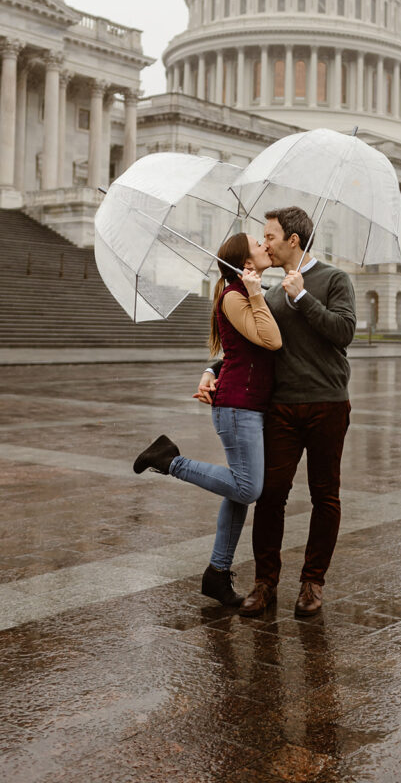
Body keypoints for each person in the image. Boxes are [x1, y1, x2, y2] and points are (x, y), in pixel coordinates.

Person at [197, 206, 356, 618]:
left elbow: (343, 332)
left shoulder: (333, 279)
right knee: (270, 495)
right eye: (263, 238)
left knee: (326, 496)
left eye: (269, 237)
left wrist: (301, 296)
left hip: (327, 403)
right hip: (281, 407)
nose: (263, 243)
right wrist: (212, 370)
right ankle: (265, 582)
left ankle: (312, 583)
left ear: (293, 241)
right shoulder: (264, 292)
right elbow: (249, 344)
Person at [133, 233, 281, 607]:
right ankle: (169, 460)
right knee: (248, 488)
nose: (265, 247)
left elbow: (237, 349)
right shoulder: (234, 295)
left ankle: (217, 573)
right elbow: (271, 340)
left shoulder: (240, 292)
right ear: (244, 263)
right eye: (257, 246)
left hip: (248, 404)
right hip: (236, 406)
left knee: (237, 492)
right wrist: (258, 293)